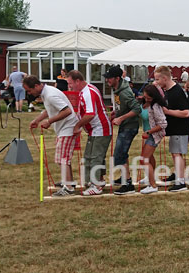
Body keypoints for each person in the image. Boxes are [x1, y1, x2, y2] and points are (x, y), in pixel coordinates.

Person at [26, 76, 80, 196]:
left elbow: (67, 111)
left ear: (36, 86)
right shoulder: (46, 93)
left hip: (68, 128)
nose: (29, 93)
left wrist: (49, 121)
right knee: (63, 157)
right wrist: (37, 120)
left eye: (29, 90)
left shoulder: (50, 95)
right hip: (63, 129)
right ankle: (69, 181)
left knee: (62, 158)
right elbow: (49, 109)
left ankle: (68, 187)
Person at [67, 70, 112, 196]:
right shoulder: (87, 90)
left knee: (95, 157)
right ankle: (98, 180)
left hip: (100, 129)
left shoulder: (88, 93)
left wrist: (78, 126)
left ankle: (96, 185)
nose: (70, 87)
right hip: (95, 130)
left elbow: (90, 114)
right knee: (90, 156)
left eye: (71, 83)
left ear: (78, 81)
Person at [106, 66, 142, 195]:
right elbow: (125, 106)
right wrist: (117, 113)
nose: (107, 80)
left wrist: (121, 118)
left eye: (109, 78)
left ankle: (128, 185)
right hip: (125, 126)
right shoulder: (118, 89)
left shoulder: (125, 92)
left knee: (119, 155)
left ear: (117, 78)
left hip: (129, 127)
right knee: (123, 154)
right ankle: (124, 178)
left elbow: (137, 109)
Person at [154, 66, 189, 192]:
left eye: (158, 79)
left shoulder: (177, 91)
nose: (156, 82)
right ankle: (177, 176)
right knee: (175, 154)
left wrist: (168, 112)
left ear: (165, 78)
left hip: (181, 128)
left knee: (177, 154)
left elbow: (186, 113)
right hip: (174, 128)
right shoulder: (167, 91)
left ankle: (181, 182)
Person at [137, 84, 168, 194]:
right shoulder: (147, 103)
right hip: (151, 134)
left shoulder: (156, 106)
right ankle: (150, 178)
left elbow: (163, 124)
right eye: (145, 97)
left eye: (148, 98)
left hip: (154, 135)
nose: (146, 99)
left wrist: (149, 132)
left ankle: (153, 185)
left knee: (143, 159)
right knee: (149, 158)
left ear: (154, 97)